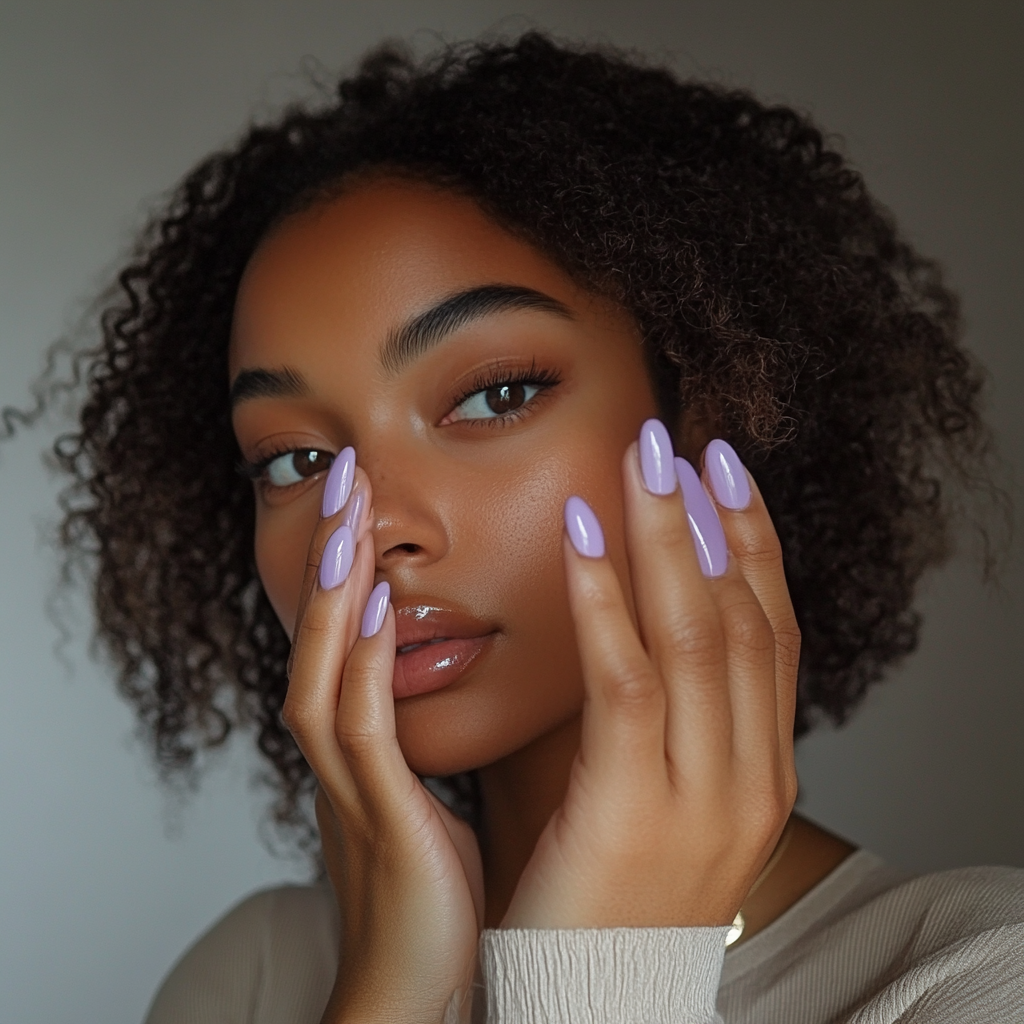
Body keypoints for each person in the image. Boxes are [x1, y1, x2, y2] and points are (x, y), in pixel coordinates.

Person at [15, 32, 1022, 1023]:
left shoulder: (971, 977)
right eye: (296, 460)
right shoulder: (258, 977)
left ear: (701, 418)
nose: (372, 532)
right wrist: (390, 996)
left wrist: (605, 977)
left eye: (496, 395)